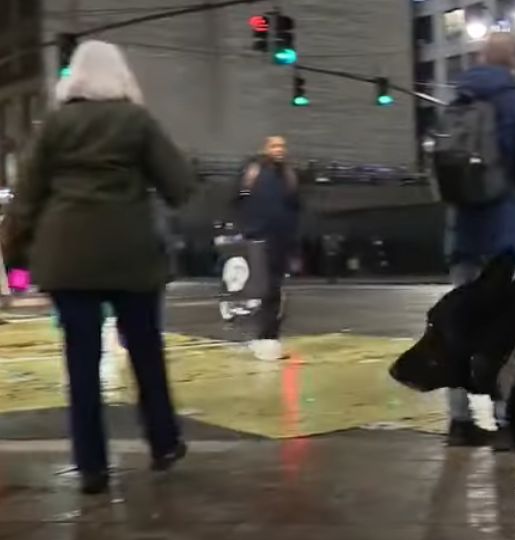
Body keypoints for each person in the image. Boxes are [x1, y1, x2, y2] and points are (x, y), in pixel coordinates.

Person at [0, 40, 194, 494]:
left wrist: (15, 258)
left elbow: (26, 198)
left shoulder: (54, 127)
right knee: (146, 353)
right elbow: (180, 186)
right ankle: (163, 442)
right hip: (132, 255)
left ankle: (92, 467)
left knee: (81, 363)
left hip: (67, 257)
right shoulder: (137, 122)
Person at [442, 32, 515, 451]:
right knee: (510, 335)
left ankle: (459, 422)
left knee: (460, 331)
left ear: (479, 58)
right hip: (509, 240)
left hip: (465, 240)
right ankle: (507, 422)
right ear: (512, 61)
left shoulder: (456, 106)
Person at [237, 136, 302, 361]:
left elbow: (295, 207)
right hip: (259, 237)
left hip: (281, 239)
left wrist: (293, 240)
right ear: (266, 149)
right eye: (274, 146)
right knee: (263, 288)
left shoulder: (289, 175)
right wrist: (248, 229)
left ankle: (269, 337)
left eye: (282, 146)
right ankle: (263, 337)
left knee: (275, 289)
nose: (279, 150)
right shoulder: (254, 171)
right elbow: (238, 199)